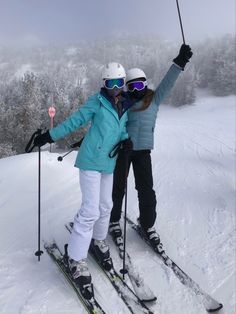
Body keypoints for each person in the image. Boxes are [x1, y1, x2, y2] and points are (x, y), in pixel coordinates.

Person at [33, 62, 133, 299]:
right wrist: (49, 135)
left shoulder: (127, 105)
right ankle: (75, 258)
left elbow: (123, 129)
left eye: (119, 83)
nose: (115, 88)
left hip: (108, 162)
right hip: (90, 161)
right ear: (104, 84)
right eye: (111, 84)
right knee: (90, 210)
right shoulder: (96, 102)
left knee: (106, 206)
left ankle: (97, 241)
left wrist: (127, 139)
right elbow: (75, 121)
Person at [109, 44, 193, 253]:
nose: (136, 90)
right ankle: (112, 221)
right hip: (124, 151)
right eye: (132, 87)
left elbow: (168, 82)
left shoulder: (153, 99)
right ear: (127, 88)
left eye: (140, 86)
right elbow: (107, 123)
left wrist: (180, 62)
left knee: (146, 190)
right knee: (118, 188)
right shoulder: (123, 102)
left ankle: (147, 224)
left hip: (143, 152)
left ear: (145, 85)